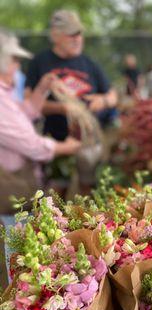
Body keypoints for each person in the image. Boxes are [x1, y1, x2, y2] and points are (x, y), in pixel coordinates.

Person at [0, 31, 81, 213]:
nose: (18, 66)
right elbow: (32, 146)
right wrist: (66, 147)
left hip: (18, 182)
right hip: (8, 188)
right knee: (13, 234)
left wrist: (42, 88)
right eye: (15, 60)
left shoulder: (6, 95)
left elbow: (26, 112)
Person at [25, 9, 118, 142]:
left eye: (79, 33)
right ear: (55, 36)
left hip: (90, 139)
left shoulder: (90, 63)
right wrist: (62, 108)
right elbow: (28, 102)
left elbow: (112, 95)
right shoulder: (39, 62)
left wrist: (103, 101)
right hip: (53, 141)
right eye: (71, 34)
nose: (77, 39)